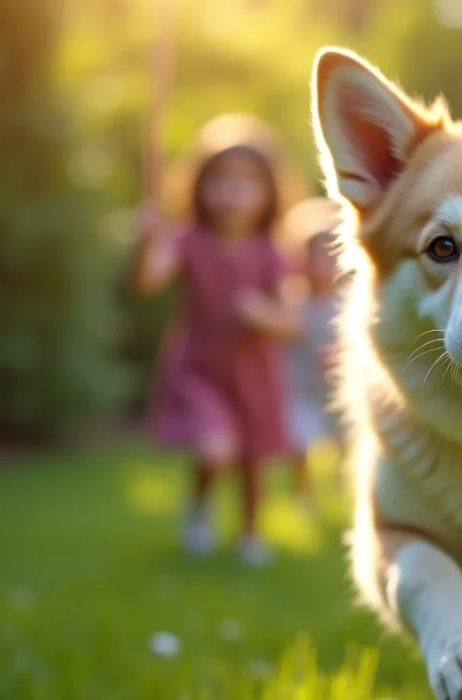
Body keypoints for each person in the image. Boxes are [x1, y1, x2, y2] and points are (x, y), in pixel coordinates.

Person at [134, 114, 306, 566]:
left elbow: (292, 322)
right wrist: (148, 240)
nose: (232, 194)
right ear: (199, 186)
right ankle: (200, 508)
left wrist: (263, 314)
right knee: (216, 447)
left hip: (253, 373)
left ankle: (251, 533)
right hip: (200, 369)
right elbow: (150, 280)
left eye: (246, 183)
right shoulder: (188, 240)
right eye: (220, 181)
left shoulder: (272, 252)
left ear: (269, 192)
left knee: (253, 459)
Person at [281, 217, 349, 511]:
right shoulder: (292, 301)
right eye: (312, 254)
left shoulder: (346, 302)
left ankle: (345, 483)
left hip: (336, 393)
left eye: (328, 254)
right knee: (298, 443)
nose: (320, 262)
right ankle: (302, 494)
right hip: (301, 389)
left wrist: (339, 352)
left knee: (345, 442)